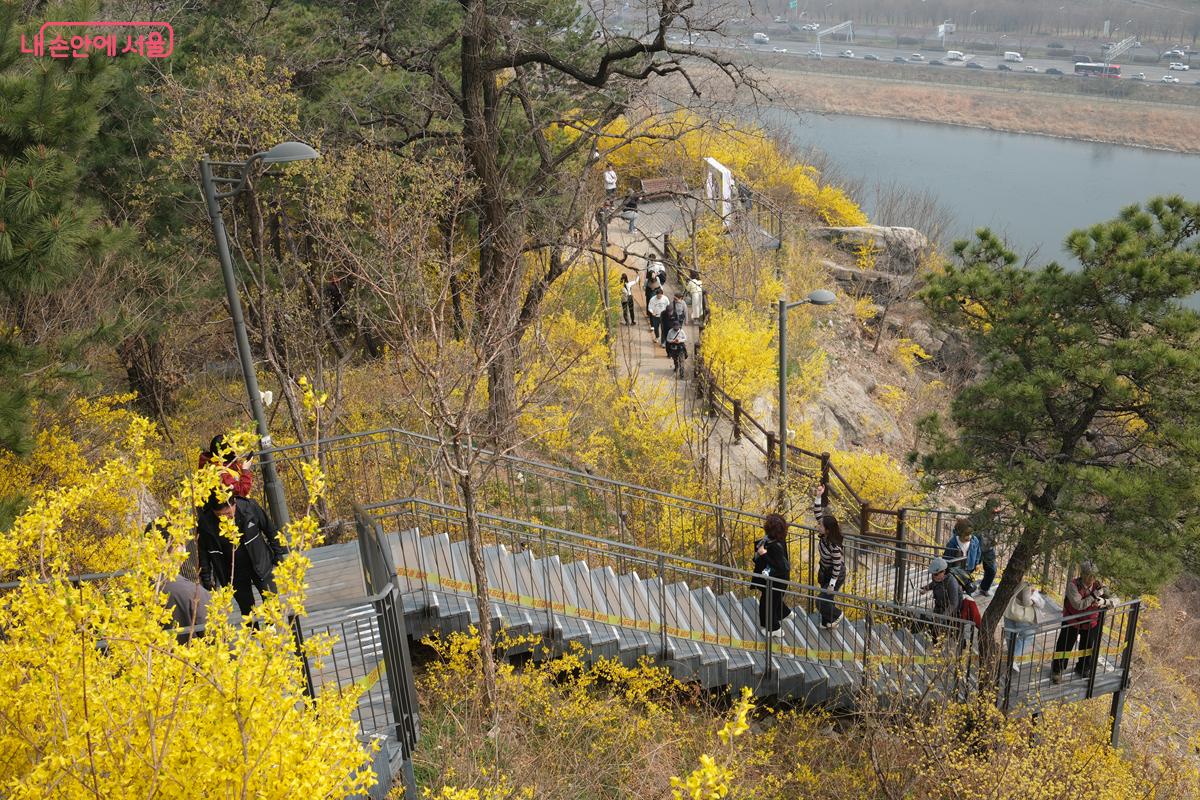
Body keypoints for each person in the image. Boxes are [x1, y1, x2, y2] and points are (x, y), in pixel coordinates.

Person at [197, 493, 288, 617]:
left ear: (234, 503)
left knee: (271, 602)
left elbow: (270, 529)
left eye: (229, 514)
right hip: (233, 573)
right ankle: (253, 633)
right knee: (247, 609)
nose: (225, 518)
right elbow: (203, 553)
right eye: (219, 515)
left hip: (260, 563)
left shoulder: (249, 507)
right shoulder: (205, 523)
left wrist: (278, 553)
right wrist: (207, 578)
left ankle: (271, 632)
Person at [148, 520, 211, 639]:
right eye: (181, 544)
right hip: (185, 655)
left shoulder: (128, 591)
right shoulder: (194, 593)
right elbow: (216, 636)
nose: (185, 549)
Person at [1051, 561, 1111, 684]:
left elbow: (1113, 598)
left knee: (1088, 647)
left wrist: (1104, 602)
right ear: (1082, 574)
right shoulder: (1073, 585)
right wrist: (1095, 596)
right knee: (1064, 646)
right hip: (1072, 621)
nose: (1091, 578)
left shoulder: (1098, 586)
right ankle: (1057, 670)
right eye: (1089, 575)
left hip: (1091, 622)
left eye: (1094, 575)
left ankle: (1083, 668)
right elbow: (1078, 605)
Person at [753, 513, 791, 636]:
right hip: (775, 579)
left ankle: (773, 627)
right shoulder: (777, 539)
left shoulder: (774, 545)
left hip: (777, 580)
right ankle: (775, 623)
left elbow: (779, 566)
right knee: (769, 600)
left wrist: (763, 554)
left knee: (770, 602)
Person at [813, 485, 846, 629]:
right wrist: (819, 495)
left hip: (836, 574)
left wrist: (832, 584)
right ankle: (828, 621)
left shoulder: (834, 546)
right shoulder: (824, 536)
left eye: (820, 525)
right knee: (827, 599)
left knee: (821, 601)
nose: (818, 526)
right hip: (825, 571)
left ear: (827, 530)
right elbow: (817, 512)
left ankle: (837, 615)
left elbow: (838, 566)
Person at [1003, 582, 1045, 670]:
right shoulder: (1026, 585)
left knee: (1010, 635)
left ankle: (1011, 653)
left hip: (1009, 611)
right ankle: (1013, 658)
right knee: (1026, 637)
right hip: (1023, 617)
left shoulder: (1009, 579)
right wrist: (1034, 599)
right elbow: (1026, 602)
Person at [967, 497, 1002, 596]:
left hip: (989, 548)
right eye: (994, 508)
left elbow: (999, 530)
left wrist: (996, 539)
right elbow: (968, 527)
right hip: (976, 548)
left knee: (992, 569)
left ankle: (984, 588)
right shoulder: (978, 516)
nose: (996, 511)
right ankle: (962, 587)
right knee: (970, 568)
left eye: (998, 508)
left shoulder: (998, 518)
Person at [942, 518, 981, 589]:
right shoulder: (952, 544)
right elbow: (946, 558)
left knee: (967, 587)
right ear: (959, 533)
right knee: (956, 587)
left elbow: (978, 552)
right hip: (955, 571)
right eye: (966, 535)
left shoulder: (974, 540)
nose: (969, 537)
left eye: (970, 534)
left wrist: (977, 563)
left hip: (969, 569)